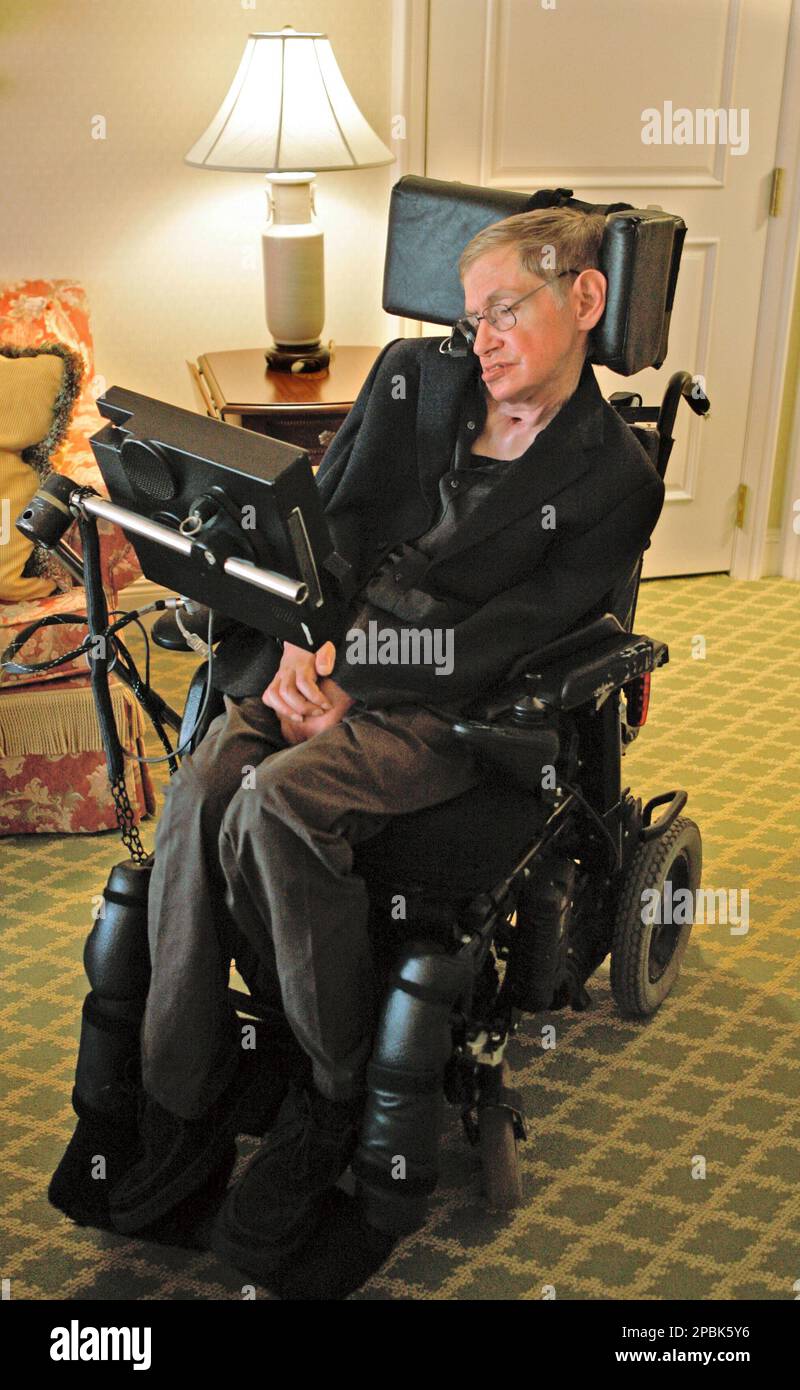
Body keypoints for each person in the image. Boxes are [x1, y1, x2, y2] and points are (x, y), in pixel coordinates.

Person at [88, 209, 667, 1285]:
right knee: (207, 777)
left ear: (583, 302)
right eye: (469, 315)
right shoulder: (417, 380)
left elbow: (504, 636)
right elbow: (335, 526)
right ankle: (180, 1088)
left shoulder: (610, 478)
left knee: (279, 803)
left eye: (506, 312)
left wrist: (358, 674)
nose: (479, 338)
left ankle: (332, 1083)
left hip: (453, 712)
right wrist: (306, 646)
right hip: (326, 665)